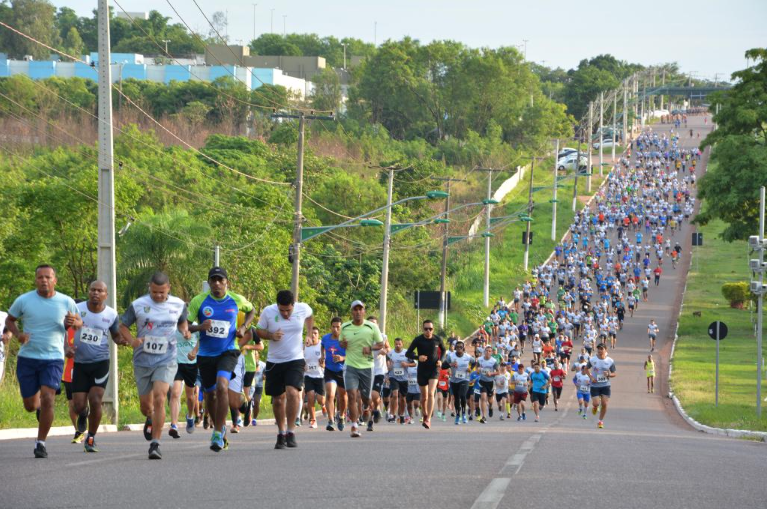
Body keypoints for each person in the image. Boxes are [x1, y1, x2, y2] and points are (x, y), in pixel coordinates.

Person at [6, 265, 81, 458]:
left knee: (49, 398)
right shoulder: (24, 300)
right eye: (40, 277)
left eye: (48, 277)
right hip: (28, 358)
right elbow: (9, 320)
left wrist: (75, 323)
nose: (44, 280)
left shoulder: (66, 301)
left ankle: (41, 443)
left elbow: (79, 321)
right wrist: (18, 334)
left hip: (53, 359)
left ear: (55, 280)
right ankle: (37, 407)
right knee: (30, 405)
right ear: (36, 280)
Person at [120, 271, 190, 460]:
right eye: (155, 292)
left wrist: (185, 332)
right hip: (143, 359)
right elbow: (122, 326)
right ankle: (150, 418)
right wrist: (133, 341)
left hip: (166, 359)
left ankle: (155, 444)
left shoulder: (178, 304)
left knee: (160, 397)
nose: (158, 296)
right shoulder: (138, 305)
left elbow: (183, 323)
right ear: (149, 288)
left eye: (162, 292)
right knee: (146, 406)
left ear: (169, 288)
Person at [187, 267, 254, 451]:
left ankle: (217, 431)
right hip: (206, 354)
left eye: (220, 280)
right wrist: (200, 327)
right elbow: (185, 326)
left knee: (222, 386)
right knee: (210, 394)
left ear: (226, 282)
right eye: (213, 280)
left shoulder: (236, 299)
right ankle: (219, 426)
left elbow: (252, 310)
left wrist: (244, 326)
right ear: (209, 283)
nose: (217, 283)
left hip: (228, 351)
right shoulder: (199, 301)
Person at [256, 290, 314, 448]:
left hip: (295, 359)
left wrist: (308, 334)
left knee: (293, 392)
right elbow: (258, 330)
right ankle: (281, 433)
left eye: (288, 310)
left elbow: (310, 315)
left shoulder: (302, 308)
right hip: (274, 361)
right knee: (278, 399)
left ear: (293, 305)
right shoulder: (268, 311)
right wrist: (270, 335)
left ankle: (291, 431)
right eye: (282, 310)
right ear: (277, 306)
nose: (285, 313)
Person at [70, 281, 123, 453]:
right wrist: (66, 347)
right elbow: (64, 329)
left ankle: (91, 438)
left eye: (100, 290)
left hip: (100, 362)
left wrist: (125, 341)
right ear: (88, 291)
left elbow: (115, 335)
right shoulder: (77, 308)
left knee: (95, 399)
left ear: (106, 295)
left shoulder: (111, 314)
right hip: (79, 363)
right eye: (93, 289)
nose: (95, 293)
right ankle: (83, 415)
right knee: (78, 405)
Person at [339, 301, 383, 438]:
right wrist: (343, 344)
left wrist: (370, 348)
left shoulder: (372, 327)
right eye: (355, 309)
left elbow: (380, 344)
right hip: (350, 365)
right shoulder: (345, 327)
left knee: (366, 398)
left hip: (367, 367)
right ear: (351, 312)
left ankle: (366, 407)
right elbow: (341, 343)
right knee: (352, 395)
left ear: (364, 311)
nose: (358, 312)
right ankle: (354, 426)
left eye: (360, 309)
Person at [405, 319, 446, 429]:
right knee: (423, 397)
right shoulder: (418, 340)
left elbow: (444, 350)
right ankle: (425, 414)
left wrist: (441, 360)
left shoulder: (437, 339)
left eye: (430, 329)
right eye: (426, 329)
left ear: (433, 329)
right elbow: (408, 353)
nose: (428, 331)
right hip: (422, 370)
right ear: (423, 329)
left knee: (431, 393)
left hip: (434, 369)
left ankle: (428, 419)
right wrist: (418, 357)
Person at [169, 325, 199, 437]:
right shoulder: (173, 326)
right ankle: (174, 425)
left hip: (191, 364)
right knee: (175, 393)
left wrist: (195, 351)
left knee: (190, 396)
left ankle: (190, 416)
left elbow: (202, 340)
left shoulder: (196, 326)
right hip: (176, 364)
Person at [321, 317, 346, 431]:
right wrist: (322, 357)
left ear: (341, 328)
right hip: (330, 370)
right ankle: (331, 420)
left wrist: (342, 358)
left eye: (338, 327)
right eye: (333, 327)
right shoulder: (325, 338)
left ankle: (341, 416)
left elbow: (353, 354)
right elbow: (322, 346)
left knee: (342, 397)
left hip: (343, 370)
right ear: (330, 327)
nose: (335, 329)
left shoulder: (345, 340)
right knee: (330, 394)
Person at [587, 343, 616, 429]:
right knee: (596, 403)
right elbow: (586, 369)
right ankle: (595, 406)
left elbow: (614, 373)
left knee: (604, 403)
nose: (600, 350)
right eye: (598, 349)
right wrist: (591, 377)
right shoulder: (593, 360)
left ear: (605, 350)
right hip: (595, 385)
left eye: (601, 349)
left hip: (605, 385)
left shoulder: (610, 361)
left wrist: (609, 374)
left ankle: (600, 421)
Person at [444, 340, 474, 425]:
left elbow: (475, 362)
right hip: (454, 380)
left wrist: (470, 369)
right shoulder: (451, 356)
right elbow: (443, 365)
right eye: (457, 347)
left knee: (462, 395)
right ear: (455, 348)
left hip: (465, 379)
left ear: (463, 348)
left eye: (461, 347)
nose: (459, 349)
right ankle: (457, 415)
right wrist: (451, 364)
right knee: (456, 398)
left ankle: (464, 414)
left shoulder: (467, 357)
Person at [303, 326, 325, 429]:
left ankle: (323, 406)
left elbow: (326, 359)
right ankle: (313, 420)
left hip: (320, 376)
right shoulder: (305, 346)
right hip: (308, 375)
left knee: (321, 400)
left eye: (315, 333)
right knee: (310, 396)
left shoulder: (322, 345)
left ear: (318, 335)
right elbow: (299, 359)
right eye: (312, 333)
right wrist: (302, 365)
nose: (313, 335)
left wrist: (324, 364)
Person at [387, 337, 412, 424]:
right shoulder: (390, 353)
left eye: (399, 344)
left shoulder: (407, 353)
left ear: (402, 344)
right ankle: (393, 415)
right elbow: (387, 366)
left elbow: (414, 363)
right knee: (395, 395)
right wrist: (389, 367)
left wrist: (407, 364)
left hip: (404, 378)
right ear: (394, 344)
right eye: (396, 344)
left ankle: (401, 415)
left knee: (403, 398)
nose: (397, 345)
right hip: (393, 377)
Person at [475, 346, 499, 424]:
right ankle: (484, 416)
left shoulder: (494, 361)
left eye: (489, 351)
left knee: (490, 400)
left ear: (491, 352)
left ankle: (491, 407)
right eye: (487, 351)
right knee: (483, 398)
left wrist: (491, 373)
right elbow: (477, 369)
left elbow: (498, 372)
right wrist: (478, 370)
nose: (488, 352)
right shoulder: (480, 359)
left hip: (490, 382)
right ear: (484, 351)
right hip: (482, 381)